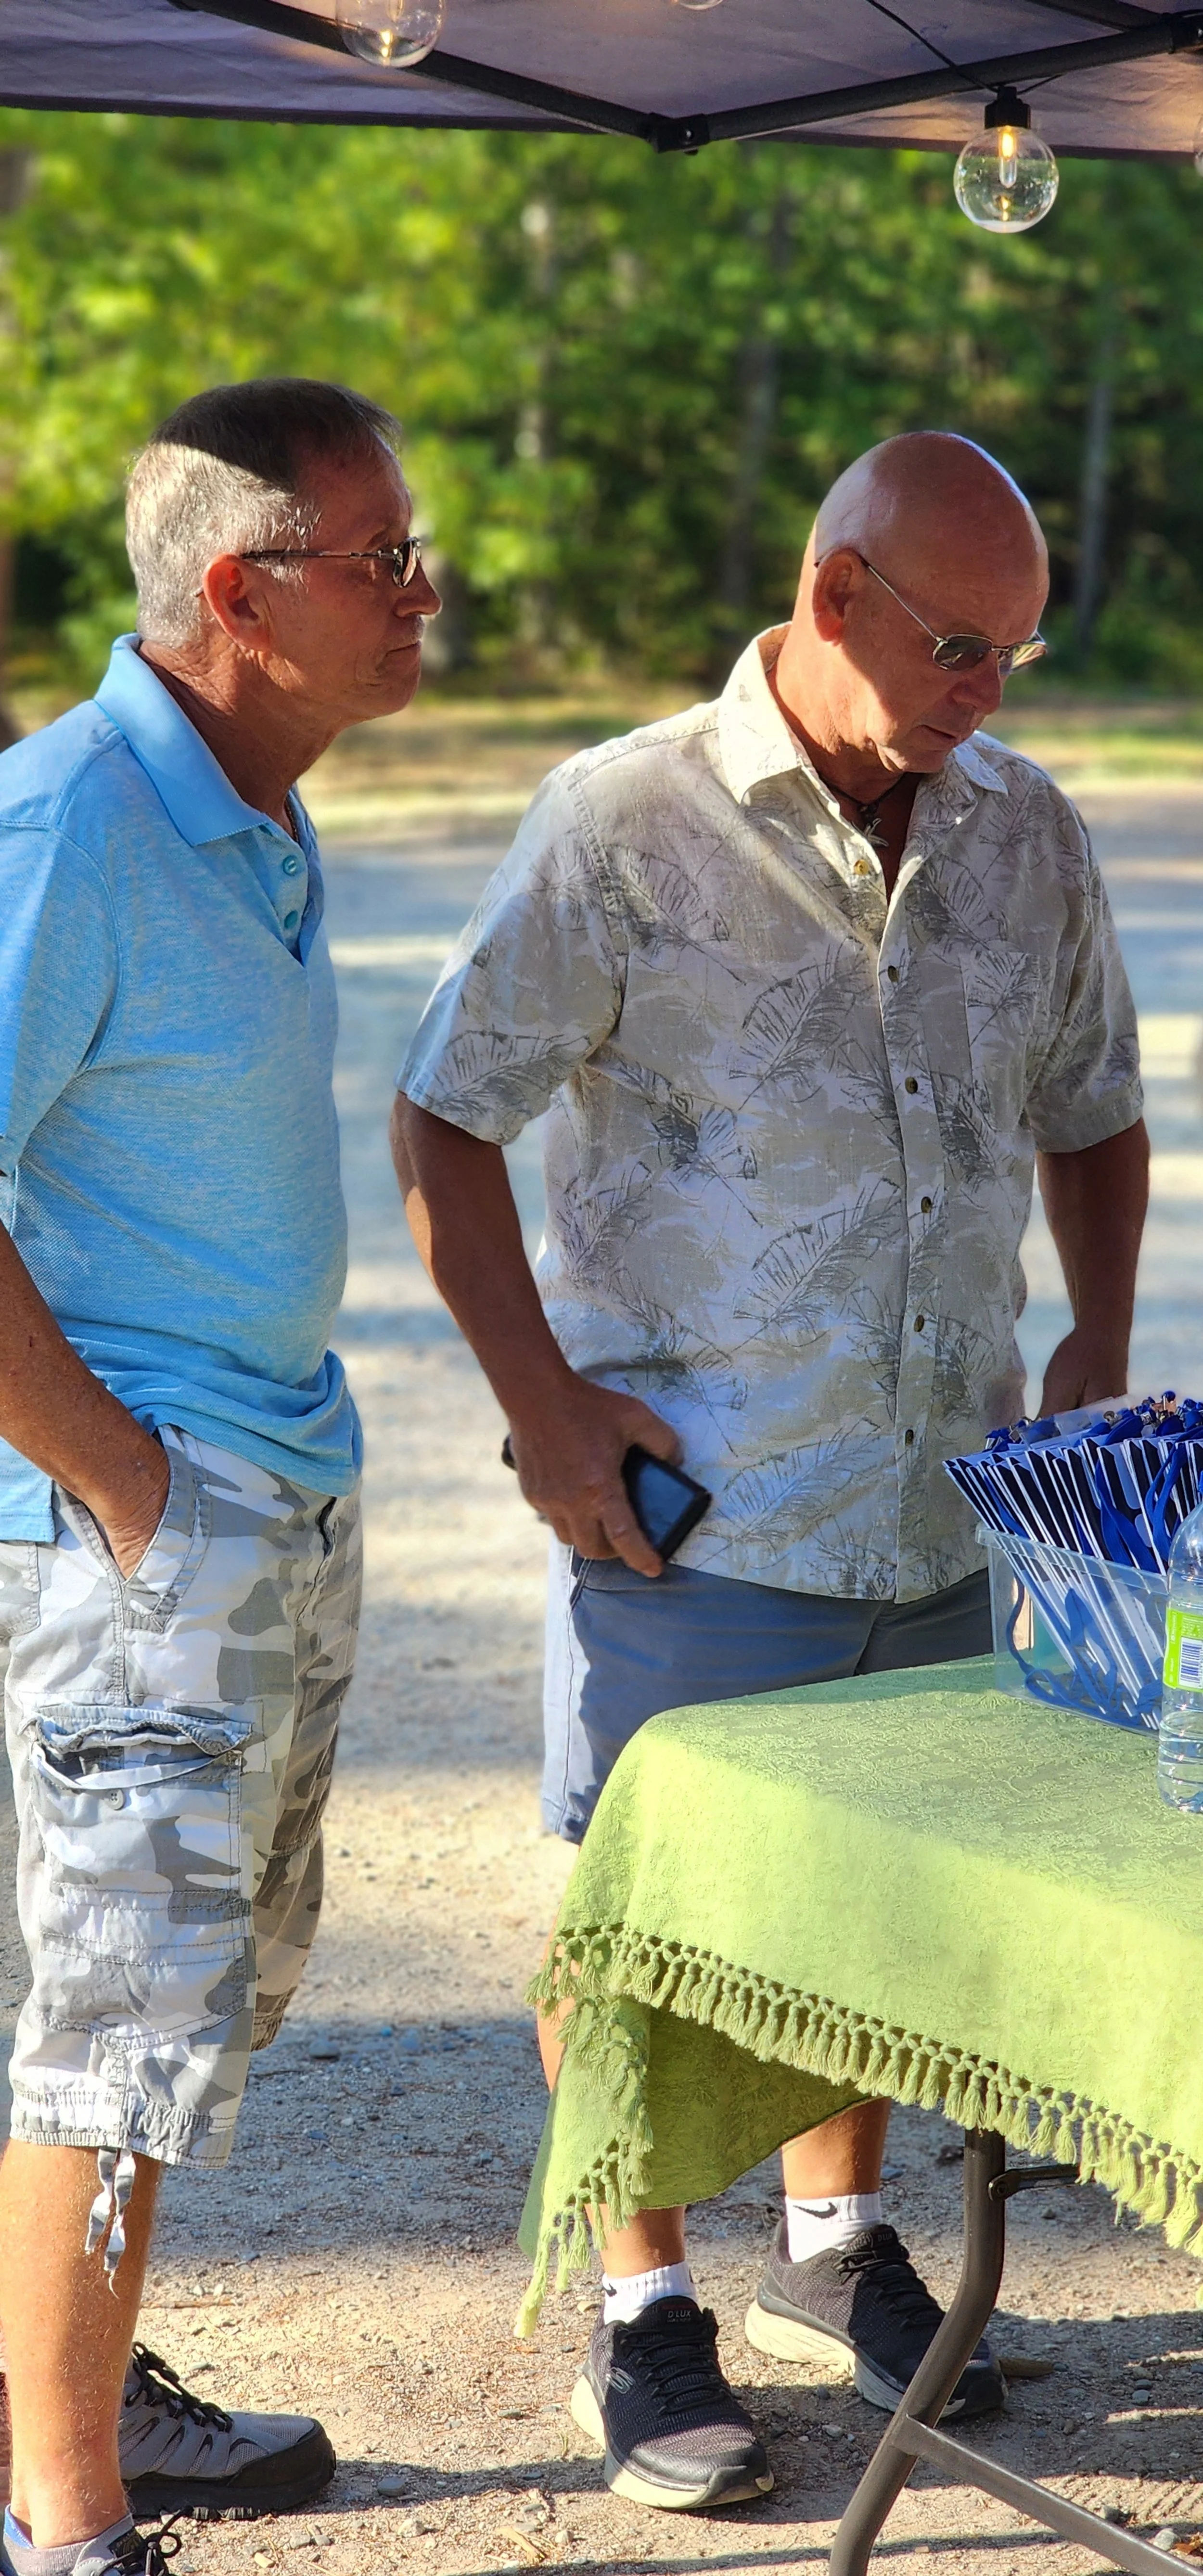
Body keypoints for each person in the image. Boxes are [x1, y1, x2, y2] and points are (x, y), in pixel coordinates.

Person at [392, 431, 1147, 2513]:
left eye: (1022, 648)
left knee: (874, 1909)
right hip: (701, 1501)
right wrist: (544, 1411)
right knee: (640, 1918)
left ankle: (836, 2250)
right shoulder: (618, 823)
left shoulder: (1026, 836)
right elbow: (445, 1117)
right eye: (962, 643)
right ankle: (642, 2308)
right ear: (832, 601)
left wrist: (1092, 1339)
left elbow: (1093, 1109)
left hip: (945, 1496)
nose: (993, 686)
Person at [0, 378, 441, 2576]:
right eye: (386, 560)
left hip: (270, 1496)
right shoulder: (71, 821)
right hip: (142, 1538)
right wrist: (130, 1497)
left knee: (185, 2012)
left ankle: (62, 2415)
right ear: (243, 590)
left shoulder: (255, 808)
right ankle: (65, 2528)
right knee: (110, 2041)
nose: (424, 596)